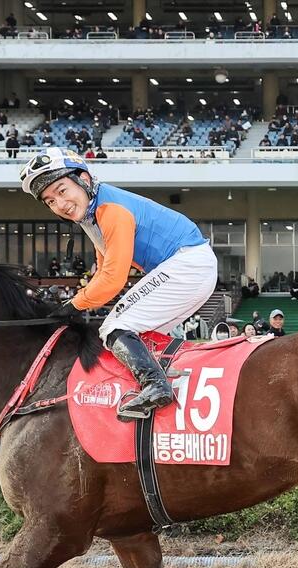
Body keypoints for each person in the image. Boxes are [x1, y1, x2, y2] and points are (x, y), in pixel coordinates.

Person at [21, 148, 217, 420]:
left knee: (114, 327)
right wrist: (73, 302)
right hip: (191, 265)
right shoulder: (93, 215)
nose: (60, 204)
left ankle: (156, 386)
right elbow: (103, 272)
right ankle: (163, 383)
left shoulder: (110, 210)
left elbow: (113, 280)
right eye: (50, 201)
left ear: (84, 180)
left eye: (62, 191)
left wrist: (72, 305)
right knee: (139, 336)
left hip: (187, 264)